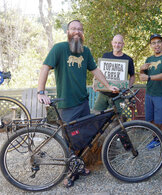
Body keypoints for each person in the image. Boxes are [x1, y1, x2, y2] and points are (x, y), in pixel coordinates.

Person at [37, 20, 118, 187]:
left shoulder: (85, 51)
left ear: (83, 33)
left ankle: (78, 167)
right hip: (67, 104)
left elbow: (95, 70)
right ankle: (69, 172)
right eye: (73, 28)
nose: (77, 31)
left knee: (83, 138)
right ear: (68, 31)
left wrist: (108, 86)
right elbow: (45, 67)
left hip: (83, 103)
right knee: (69, 140)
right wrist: (41, 91)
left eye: (80, 29)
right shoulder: (59, 48)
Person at [139, 34, 162, 158]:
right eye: (153, 43)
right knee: (151, 120)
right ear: (151, 46)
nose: (156, 45)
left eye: (159, 42)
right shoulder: (148, 59)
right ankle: (157, 139)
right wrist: (141, 70)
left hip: (161, 95)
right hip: (149, 94)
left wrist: (148, 76)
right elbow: (142, 77)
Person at [93, 34, 135, 116]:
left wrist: (126, 88)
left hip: (118, 96)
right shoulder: (106, 56)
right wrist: (95, 83)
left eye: (119, 43)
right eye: (115, 42)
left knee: (119, 118)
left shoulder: (128, 59)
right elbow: (99, 71)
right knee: (96, 115)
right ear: (112, 43)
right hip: (103, 93)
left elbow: (132, 76)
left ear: (123, 44)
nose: (117, 45)